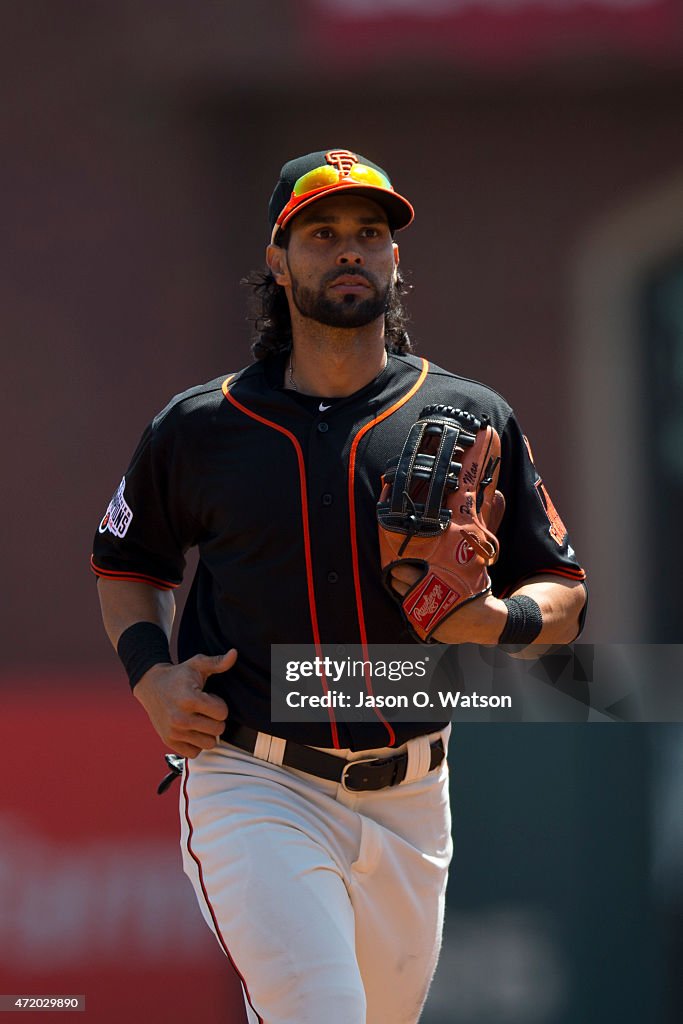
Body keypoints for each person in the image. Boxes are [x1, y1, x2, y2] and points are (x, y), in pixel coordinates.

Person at [92, 148, 587, 1024]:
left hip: (411, 796)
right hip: (255, 777)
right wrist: (150, 679)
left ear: (396, 260)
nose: (350, 250)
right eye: (321, 234)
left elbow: (561, 597)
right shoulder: (202, 426)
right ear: (278, 262)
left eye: (370, 234)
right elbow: (128, 567)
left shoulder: (468, 416)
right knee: (318, 1012)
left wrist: (492, 619)